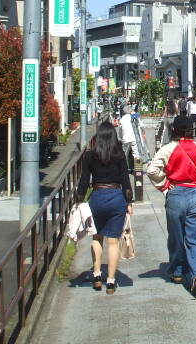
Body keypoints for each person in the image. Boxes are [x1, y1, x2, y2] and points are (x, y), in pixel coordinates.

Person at [146, 116, 196, 296]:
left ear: (174, 130)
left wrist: (165, 186)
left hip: (176, 195)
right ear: (191, 130)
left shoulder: (167, 149)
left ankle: (177, 271)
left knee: (176, 235)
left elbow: (151, 170)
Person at [76, 121, 132, 294]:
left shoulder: (90, 155)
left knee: (96, 238)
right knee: (113, 241)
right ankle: (111, 280)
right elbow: (125, 180)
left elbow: (84, 180)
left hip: (97, 197)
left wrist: (79, 200)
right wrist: (129, 202)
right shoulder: (120, 155)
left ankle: (97, 274)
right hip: (116, 197)